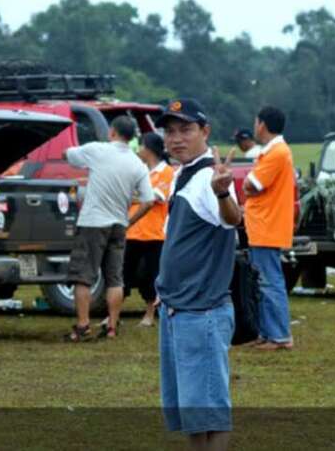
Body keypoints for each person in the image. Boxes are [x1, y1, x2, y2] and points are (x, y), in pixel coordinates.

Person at [154, 98, 241, 450]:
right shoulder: (182, 174)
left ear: (205, 132)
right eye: (170, 131)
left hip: (201, 311)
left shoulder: (209, 177)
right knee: (193, 411)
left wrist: (223, 194)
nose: (176, 138)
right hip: (177, 308)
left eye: (186, 129)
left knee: (210, 408)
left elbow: (232, 218)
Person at [62, 115, 155, 341]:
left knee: (83, 277)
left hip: (93, 222)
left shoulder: (98, 150)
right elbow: (149, 200)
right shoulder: (137, 163)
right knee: (115, 278)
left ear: (112, 132)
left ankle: (83, 326)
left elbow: (69, 155)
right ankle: (112, 326)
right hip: (119, 225)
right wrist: (129, 222)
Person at [243, 106, 295, 351]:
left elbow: (251, 185)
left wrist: (248, 187)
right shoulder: (273, 152)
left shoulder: (276, 152)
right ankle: (267, 333)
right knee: (262, 281)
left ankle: (280, 336)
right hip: (263, 226)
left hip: (267, 225)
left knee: (269, 281)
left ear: (261, 124)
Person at [123, 132, 175, 327]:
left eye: (141, 146)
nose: (138, 151)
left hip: (154, 234)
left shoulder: (166, 172)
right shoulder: (142, 172)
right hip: (133, 232)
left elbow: (155, 198)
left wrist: (131, 197)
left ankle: (150, 315)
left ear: (149, 149)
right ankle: (113, 314)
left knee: (151, 276)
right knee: (123, 275)